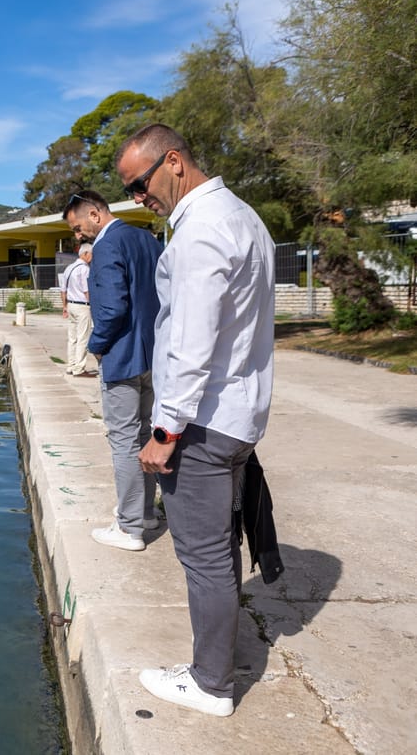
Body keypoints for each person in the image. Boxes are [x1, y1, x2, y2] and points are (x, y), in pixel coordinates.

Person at [115, 123, 275, 717]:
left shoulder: (201, 231)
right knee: (219, 549)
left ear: (173, 161)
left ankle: (211, 684)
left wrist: (166, 432)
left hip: (203, 422)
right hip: (237, 415)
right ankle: (215, 666)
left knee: (203, 556)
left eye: (139, 184)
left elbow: (191, 340)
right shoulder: (243, 218)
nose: (138, 198)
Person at [62, 190, 163, 552]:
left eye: (77, 227)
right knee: (145, 434)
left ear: (94, 213)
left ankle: (129, 527)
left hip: (122, 358)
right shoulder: (146, 240)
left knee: (123, 441)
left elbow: (112, 308)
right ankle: (146, 513)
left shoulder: (106, 247)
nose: (78, 236)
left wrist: (96, 347)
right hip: (154, 356)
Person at [57, 242, 95, 377]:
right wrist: (94, 304)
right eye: (92, 254)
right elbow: (86, 290)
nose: (93, 257)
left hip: (71, 305)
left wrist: (65, 306)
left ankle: (71, 365)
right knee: (82, 338)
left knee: (72, 338)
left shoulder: (69, 268)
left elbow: (63, 290)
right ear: (85, 254)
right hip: (82, 306)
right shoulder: (84, 269)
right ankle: (79, 369)